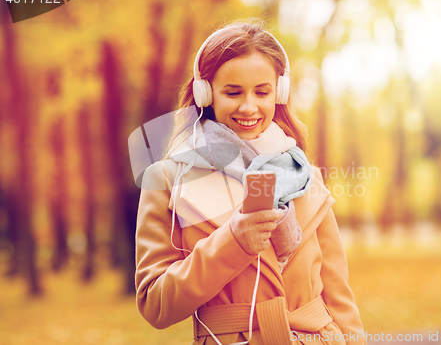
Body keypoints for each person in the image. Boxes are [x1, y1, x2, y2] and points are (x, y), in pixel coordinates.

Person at [135, 20, 366, 345]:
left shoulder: (305, 175)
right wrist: (233, 242)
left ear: (279, 93)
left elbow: (340, 298)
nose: (248, 106)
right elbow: (155, 304)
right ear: (206, 94)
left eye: (262, 92)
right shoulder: (168, 179)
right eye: (232, 92)